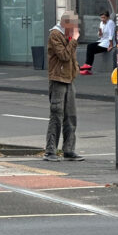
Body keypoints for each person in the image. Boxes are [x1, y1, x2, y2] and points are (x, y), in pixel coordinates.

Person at [44, 10, 84, 162]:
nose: (75, 29)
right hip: (58, 80)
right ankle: (50, 150)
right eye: (73, 26)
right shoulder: (55, 35)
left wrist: (76, 69)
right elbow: (64, 56)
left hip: (69, 79)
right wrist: (73, 40)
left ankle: (69, 149)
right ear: (66, 24)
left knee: (71, 116)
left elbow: (71, 58)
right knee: (56, 115)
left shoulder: (66, 36)